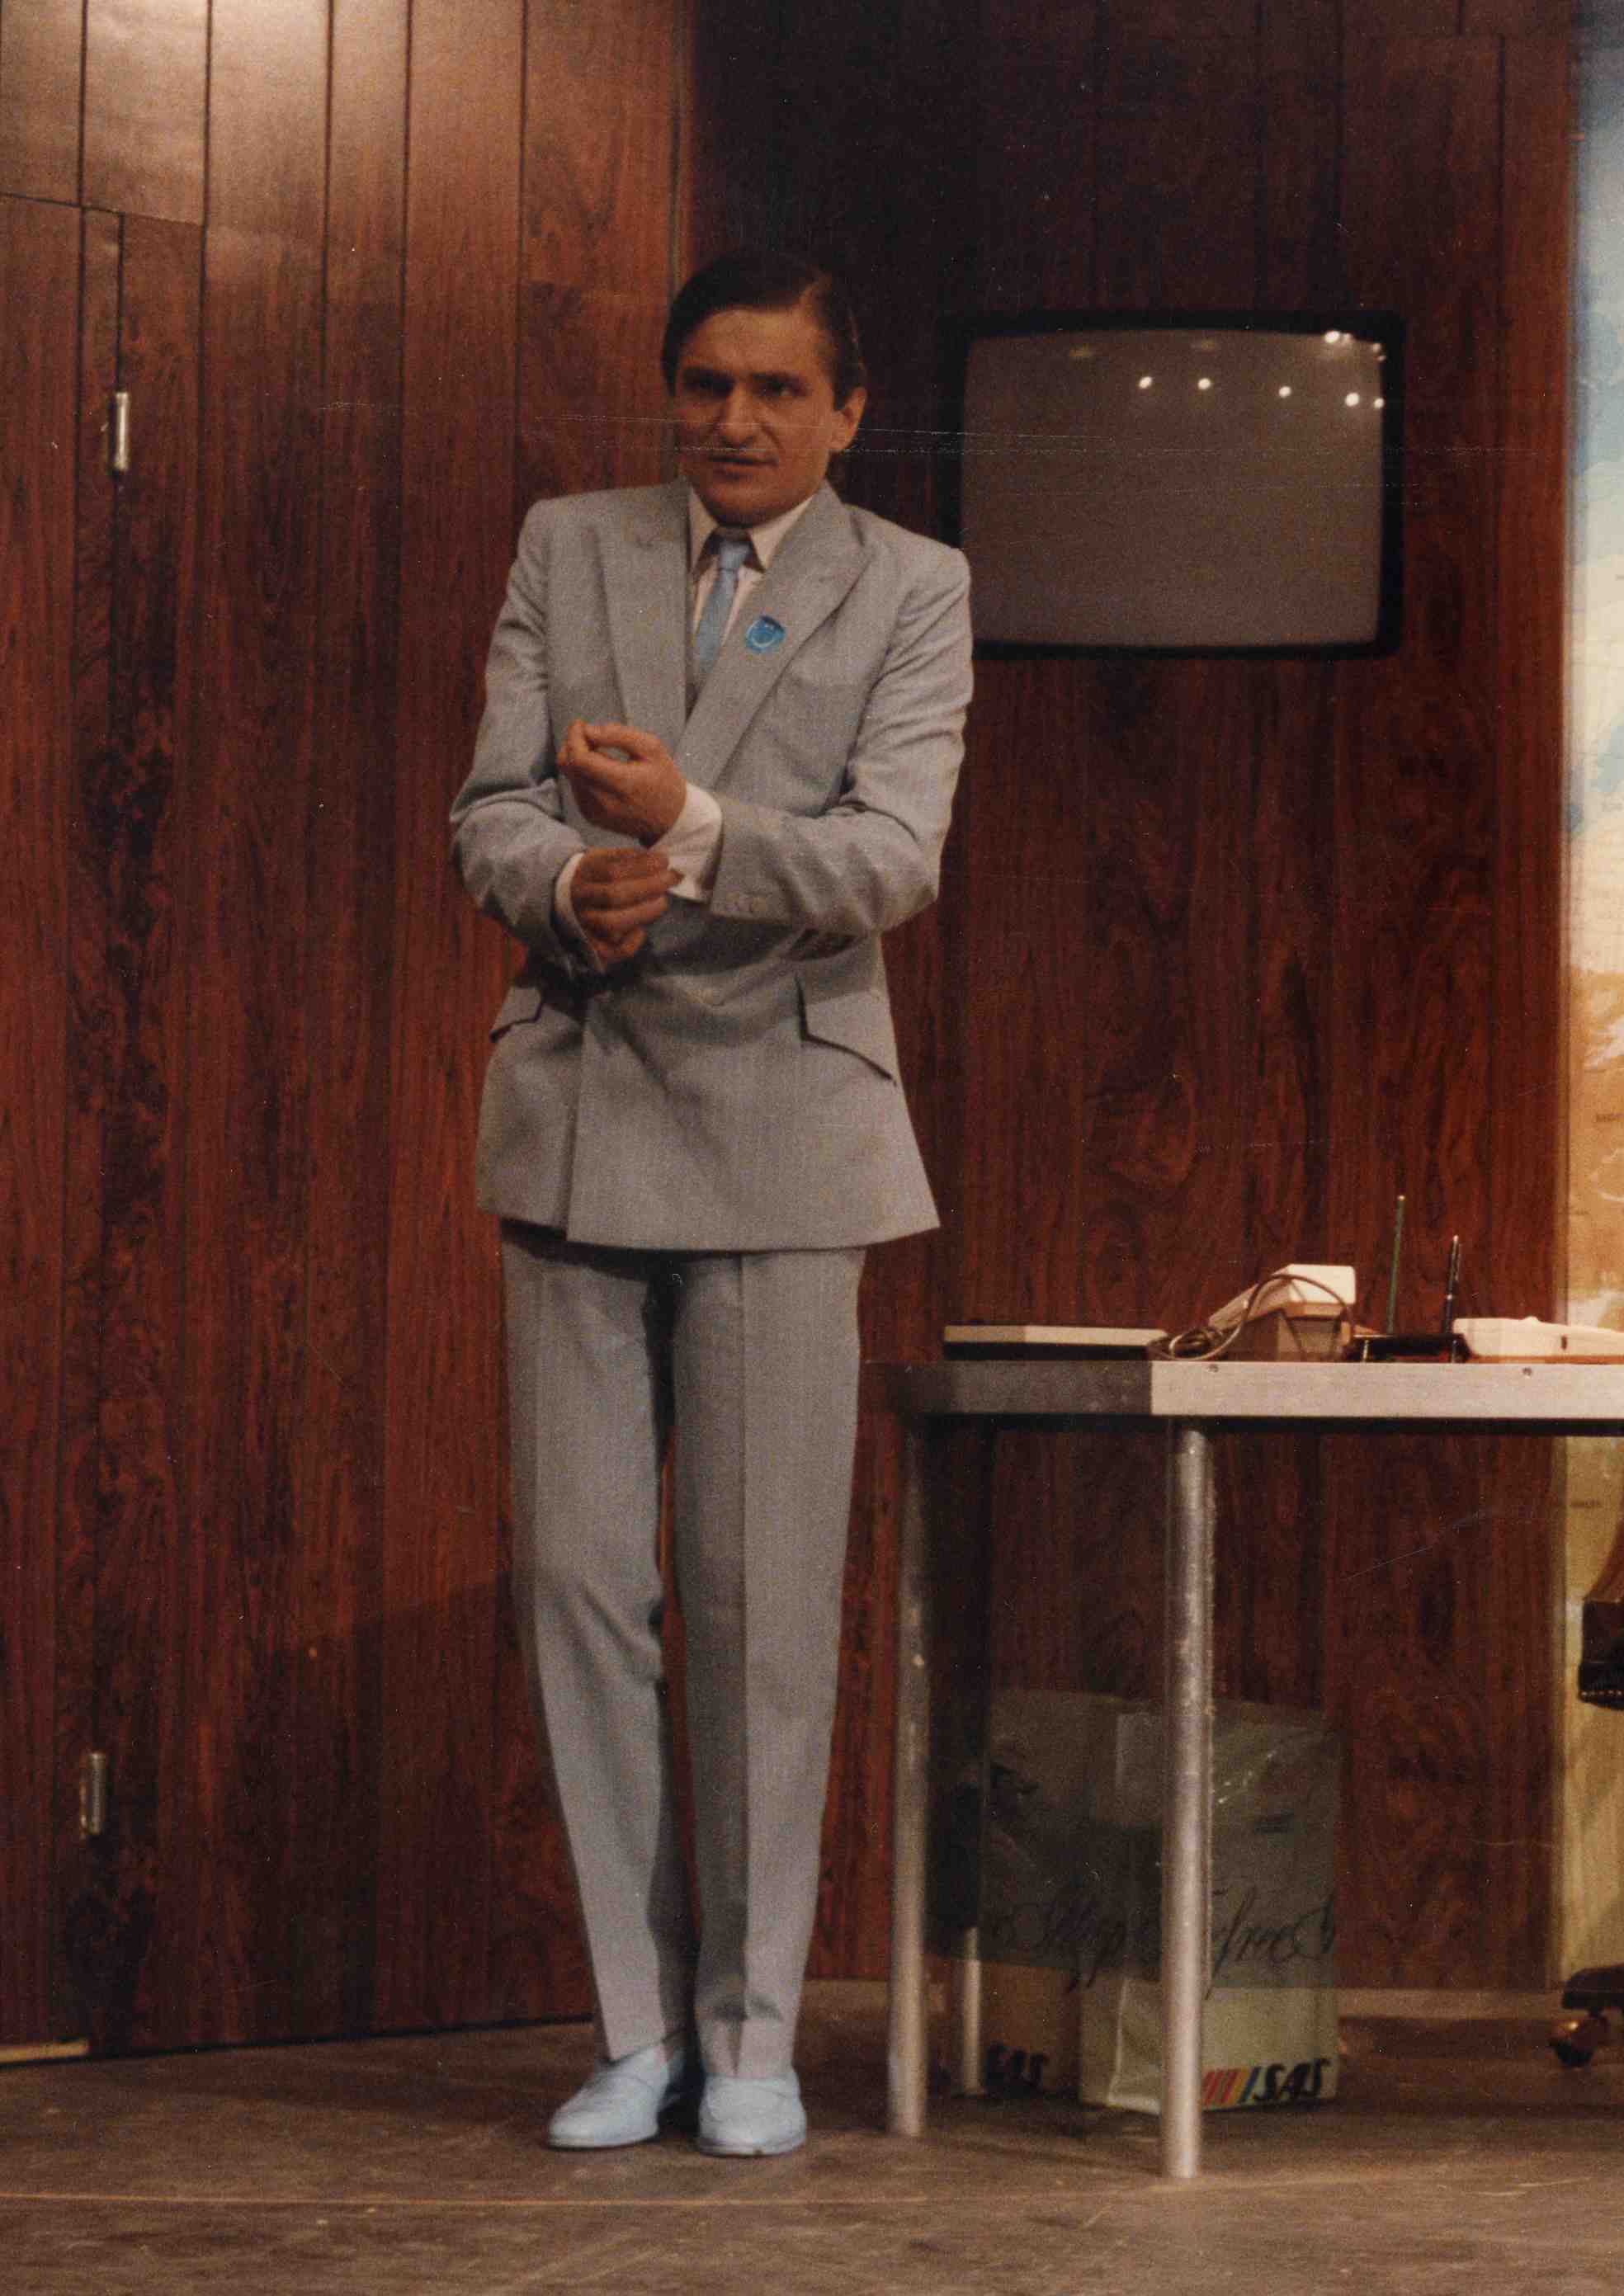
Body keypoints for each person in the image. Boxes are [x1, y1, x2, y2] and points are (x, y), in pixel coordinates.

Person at [449, 251, 971, 2157]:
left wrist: (683, 829)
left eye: (775, 390)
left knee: (759, 1606)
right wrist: (557, 884)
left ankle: (752, 2039)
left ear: (846, 412)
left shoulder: (913, 585)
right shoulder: (568, 544)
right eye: (703, 384)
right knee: (582, 1589)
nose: (733, 421)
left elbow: (893, 860)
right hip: (580, 1115)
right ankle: (637, 2026)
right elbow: (491, 810)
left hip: (782, 1138)